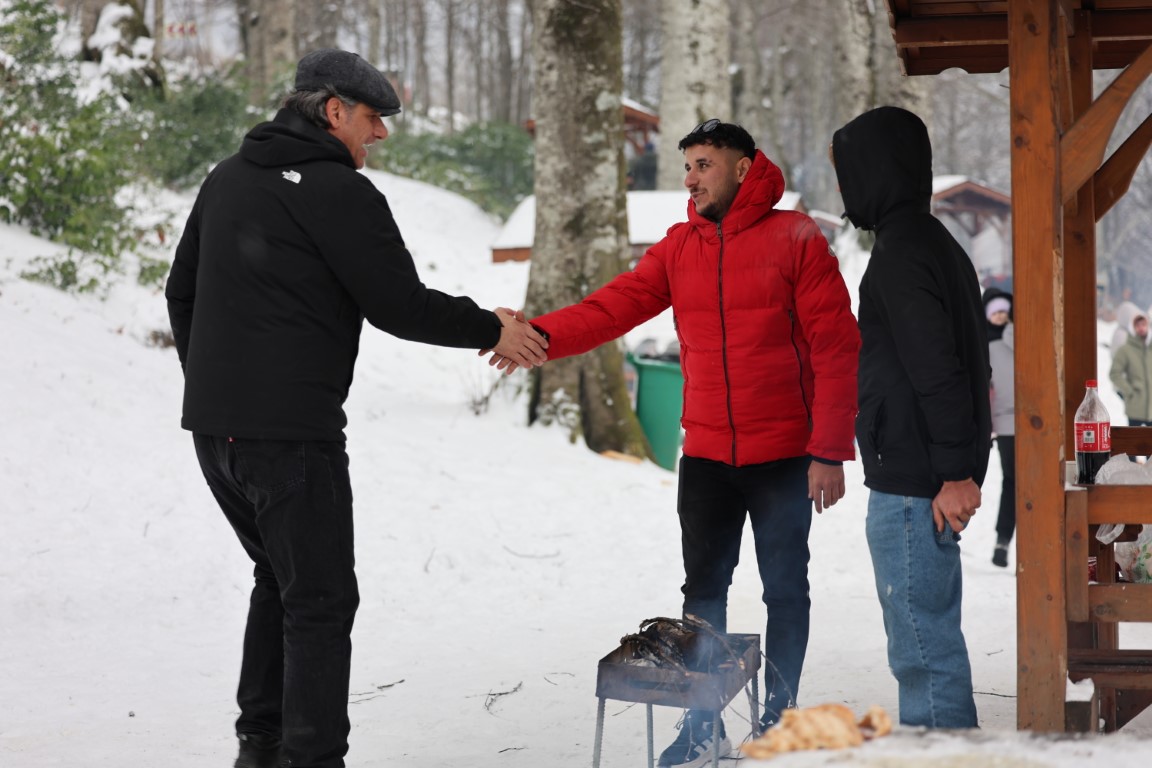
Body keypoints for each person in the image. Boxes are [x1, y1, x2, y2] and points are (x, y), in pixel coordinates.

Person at [164, 49, 548, 768]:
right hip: (290, 438)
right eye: (374, 119)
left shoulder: (227, 179)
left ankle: (261, 744)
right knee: (320, 601)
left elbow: (179, 293)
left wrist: (216, 387)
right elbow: (398, 304)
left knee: (279, 582)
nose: (382, 136)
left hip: (217, 435)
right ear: (333, 110)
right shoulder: (338, 193)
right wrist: (492, 328)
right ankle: (311, 757)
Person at [493, 119, 860, 767]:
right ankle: (702, 724)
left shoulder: (796, 238)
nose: (689, 178)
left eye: (704, 165)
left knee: (785, 587)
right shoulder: (678, 247)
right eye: (687, 166)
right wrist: (539, 337)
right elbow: (614, 306)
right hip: (709, 457)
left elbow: (836, 348)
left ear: (744, 168)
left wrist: (828, 451)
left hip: (783, 454)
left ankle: (777, 716)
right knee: (703, 593)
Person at [831, 106, 991, 729]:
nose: (846, 192)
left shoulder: (902, 252)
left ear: (880, 171)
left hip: (915, 483)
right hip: (925, 473)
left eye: (849, 173)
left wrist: (954, 472)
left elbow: (940, 371)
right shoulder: (934, 244)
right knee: (930, 641)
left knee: (922, 650)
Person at [988, 318, 1016, 567]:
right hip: (1040, 426)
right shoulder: (1041, 342)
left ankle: (1003, 540)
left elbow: (987, 392)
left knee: (1011, 483)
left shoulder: (992, 347)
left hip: (1006, 426)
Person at [1109, 308, 1152, 437]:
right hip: (1135, 406)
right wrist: (1129, 391)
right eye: (1137, 325)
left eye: (1143, 324)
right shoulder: (1125, 350)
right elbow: (1114, 373)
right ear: (1132, 328)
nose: (1141, 328)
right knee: (1132, 442)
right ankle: (1133, 458)